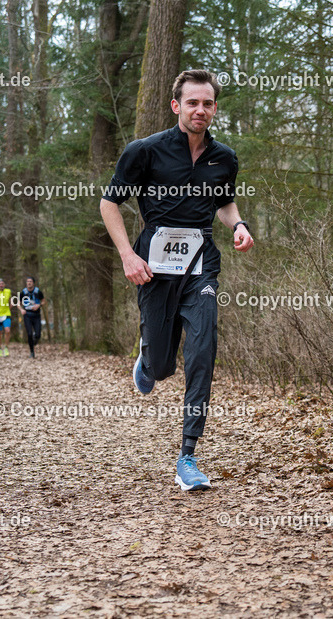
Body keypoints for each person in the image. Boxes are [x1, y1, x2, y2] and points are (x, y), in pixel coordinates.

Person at [100, 69, 254, 491]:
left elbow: (224, 201)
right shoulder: (144, 151)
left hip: (201, 261)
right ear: (176, 106)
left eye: (207, 103)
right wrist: (128, 255)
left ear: (215, 108)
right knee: (163, 365)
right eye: (192, 103)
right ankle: (149, 360)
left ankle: (188, 454)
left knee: (203, 347)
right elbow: (109, 204)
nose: (200, 110)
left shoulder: (224, 158)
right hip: (153, 263)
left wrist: (237, 224)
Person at [19, 277, 46, 358]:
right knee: (29, 334)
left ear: (33, 283)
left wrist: (39, 305)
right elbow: (18, 303)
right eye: (27, 281)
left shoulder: (38, 292)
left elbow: (44, 301)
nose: (29, 283)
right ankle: (32, 352)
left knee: (38, 334)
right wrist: (21, 309)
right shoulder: (23, 292)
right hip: (27, 315)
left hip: (36, 315)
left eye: (30, 281)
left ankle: (33, 343)